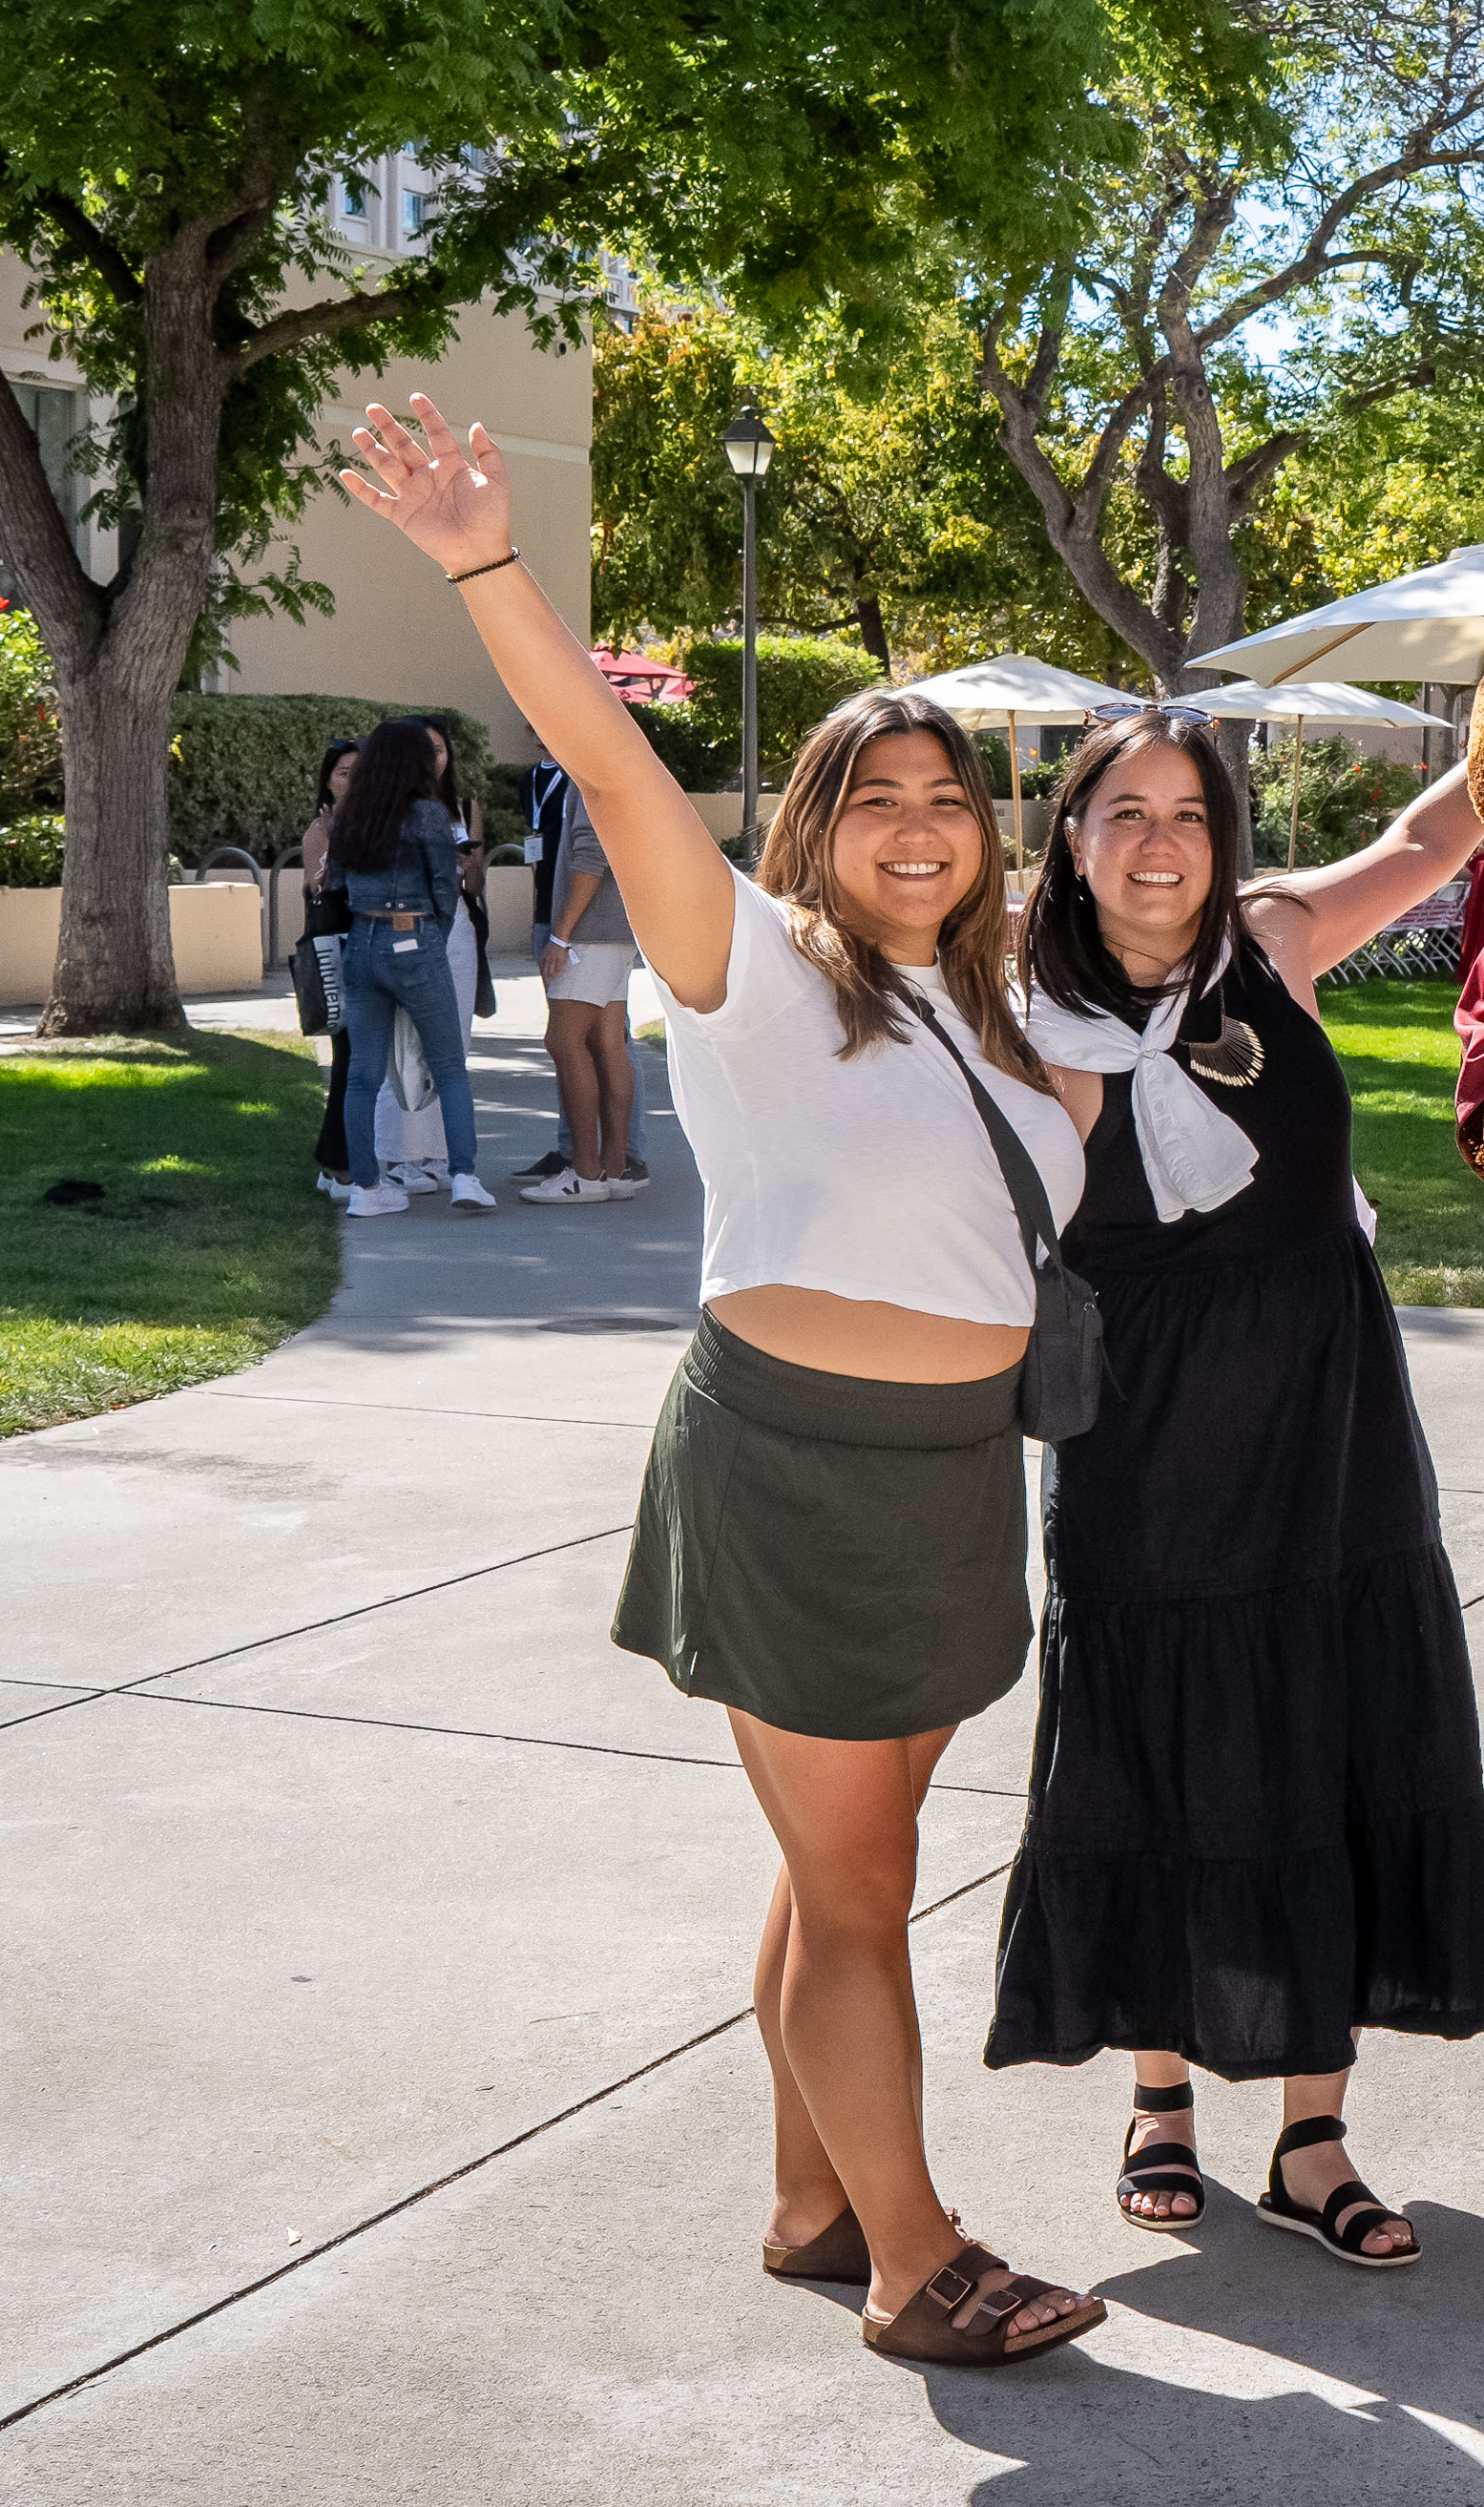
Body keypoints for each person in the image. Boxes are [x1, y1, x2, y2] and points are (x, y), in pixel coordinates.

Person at [334, 394, 1101, 2368]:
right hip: (793, 1468)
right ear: (817, 826)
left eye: (947, 796)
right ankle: (916, 2256)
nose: (918, 823)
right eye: (874, 796)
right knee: (856, 1892)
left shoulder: (1004, 1017)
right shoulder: (746, 957)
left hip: (951, 1478)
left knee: (850, 1861)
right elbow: (604, 752)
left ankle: (804, 2197)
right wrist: (484, 560)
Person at [987, 708, 1484, 2273]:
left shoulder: (1270, 949)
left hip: (1330, 1417)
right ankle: (1160, 2097)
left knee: (1329, 1738)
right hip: (1144, 1444)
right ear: (1070, 838)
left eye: (1190, 813)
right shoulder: (1013, 1023)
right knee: (1160, 1745)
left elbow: (1431, 842)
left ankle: (1312, 2134)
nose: (1160, 840)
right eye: (1123, 810)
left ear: (1225, 841)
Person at [324, 718, 494, 1218]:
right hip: (414, 935)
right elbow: (446, 889)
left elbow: (336, 880)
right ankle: (464, 1175)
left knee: (362, 1074)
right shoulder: (426, 814)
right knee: (448, 1065)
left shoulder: (353, 812)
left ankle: (367, 1189)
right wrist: (432, 943)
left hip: (362, 940)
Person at [524, 787, 644, 1207]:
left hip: (588, 935)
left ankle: (587, 1172)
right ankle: (614, 1170)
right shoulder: (611, 770)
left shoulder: (587, 776)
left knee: (564, 1042)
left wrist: (561, 934)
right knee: (608, 1045)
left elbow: (591, 857)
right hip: (615, 931)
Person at [302, 739, 360, 1197]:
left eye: (361, 770)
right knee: (350, 1060)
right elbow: (319, 891)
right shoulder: (320, 831)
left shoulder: (380, 823)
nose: (353, 780)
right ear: (327, 780)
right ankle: (336, 1164)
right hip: (341, 958)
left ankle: (349, 1158)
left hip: (375, 951)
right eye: (343, 772)